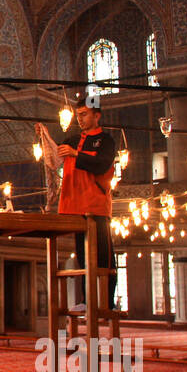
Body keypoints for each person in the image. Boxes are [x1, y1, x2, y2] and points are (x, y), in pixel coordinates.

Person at [56, 94, 119, 311]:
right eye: (78, 115)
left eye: (84, 115)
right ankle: (87, 301)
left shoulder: (106, 141)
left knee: (103, 256)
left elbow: (101, 165)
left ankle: (107, 303)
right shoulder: (72, 139)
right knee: (84, 257)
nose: (80, 119)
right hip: (75, 205)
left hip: (96, 207)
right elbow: (55, 159)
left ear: (97, 115)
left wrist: (76, 154)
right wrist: (44, 137)